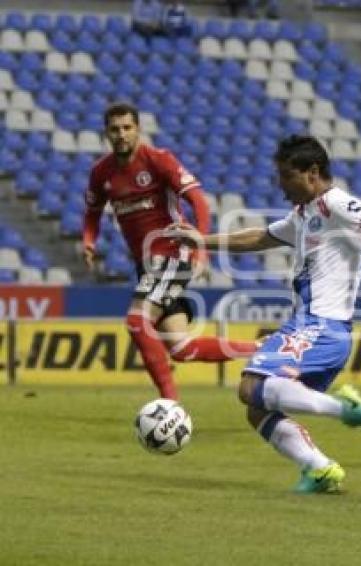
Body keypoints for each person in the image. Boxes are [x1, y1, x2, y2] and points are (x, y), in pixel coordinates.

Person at [170, 135, 361, 493]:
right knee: (258, 410)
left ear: (312, 173)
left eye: (285, 177)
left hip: (320, 326)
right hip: (315, 328)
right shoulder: (304, 214)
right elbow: (259, 238)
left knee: (251, 386)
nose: (281, 188)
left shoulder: (340, 205)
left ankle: (343, 408)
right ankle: (321, 469)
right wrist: (201, 240)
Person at [82, 103, 259, 400]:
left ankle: (170, 404)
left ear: (138, 129)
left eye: (127, 127)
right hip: (146, 264)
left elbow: (198, 201)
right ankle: (263, 349)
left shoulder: (158, 160)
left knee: (137, 321)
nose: (121, 134)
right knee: (181, 348)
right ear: (106, 133)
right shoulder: (101, 173)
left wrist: (201, 247)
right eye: (115, 129)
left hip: (174, 252)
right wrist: (89, 241)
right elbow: (92, 212)